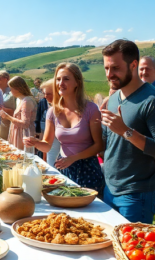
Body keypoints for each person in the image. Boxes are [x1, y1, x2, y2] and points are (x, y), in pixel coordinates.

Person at [100, 40, 155, 223]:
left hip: (137, 195)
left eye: (115, 68)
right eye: (106, 68)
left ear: (133, 64)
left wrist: (126, 131)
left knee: (130, 250)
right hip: (109, 189)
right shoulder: (113, 98)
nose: (110, 75)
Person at [25, 63, 105, 193]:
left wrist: (74, 158)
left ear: (77, 83)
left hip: (88, 170)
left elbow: (98, 145)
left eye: (66, 79)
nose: (60, 83)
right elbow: (46, 145)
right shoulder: (52, 112)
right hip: (64, 169)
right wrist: (35, 142)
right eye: (58, 79)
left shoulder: (90, 109)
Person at [0, 76, 37, 150]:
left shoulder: (27, 101)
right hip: (17, 133)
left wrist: (7, 117)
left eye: (11, 89)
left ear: (17, 88)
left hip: (23, 135)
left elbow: (25, 124)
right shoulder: (19, 99)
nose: (10, 91)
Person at [0, 70, 16, 140]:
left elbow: (16, 112)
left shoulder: (12, 93)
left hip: (9, 125)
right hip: (0, 124)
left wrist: (1, 109)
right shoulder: (0, 92)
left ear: (6, 79)